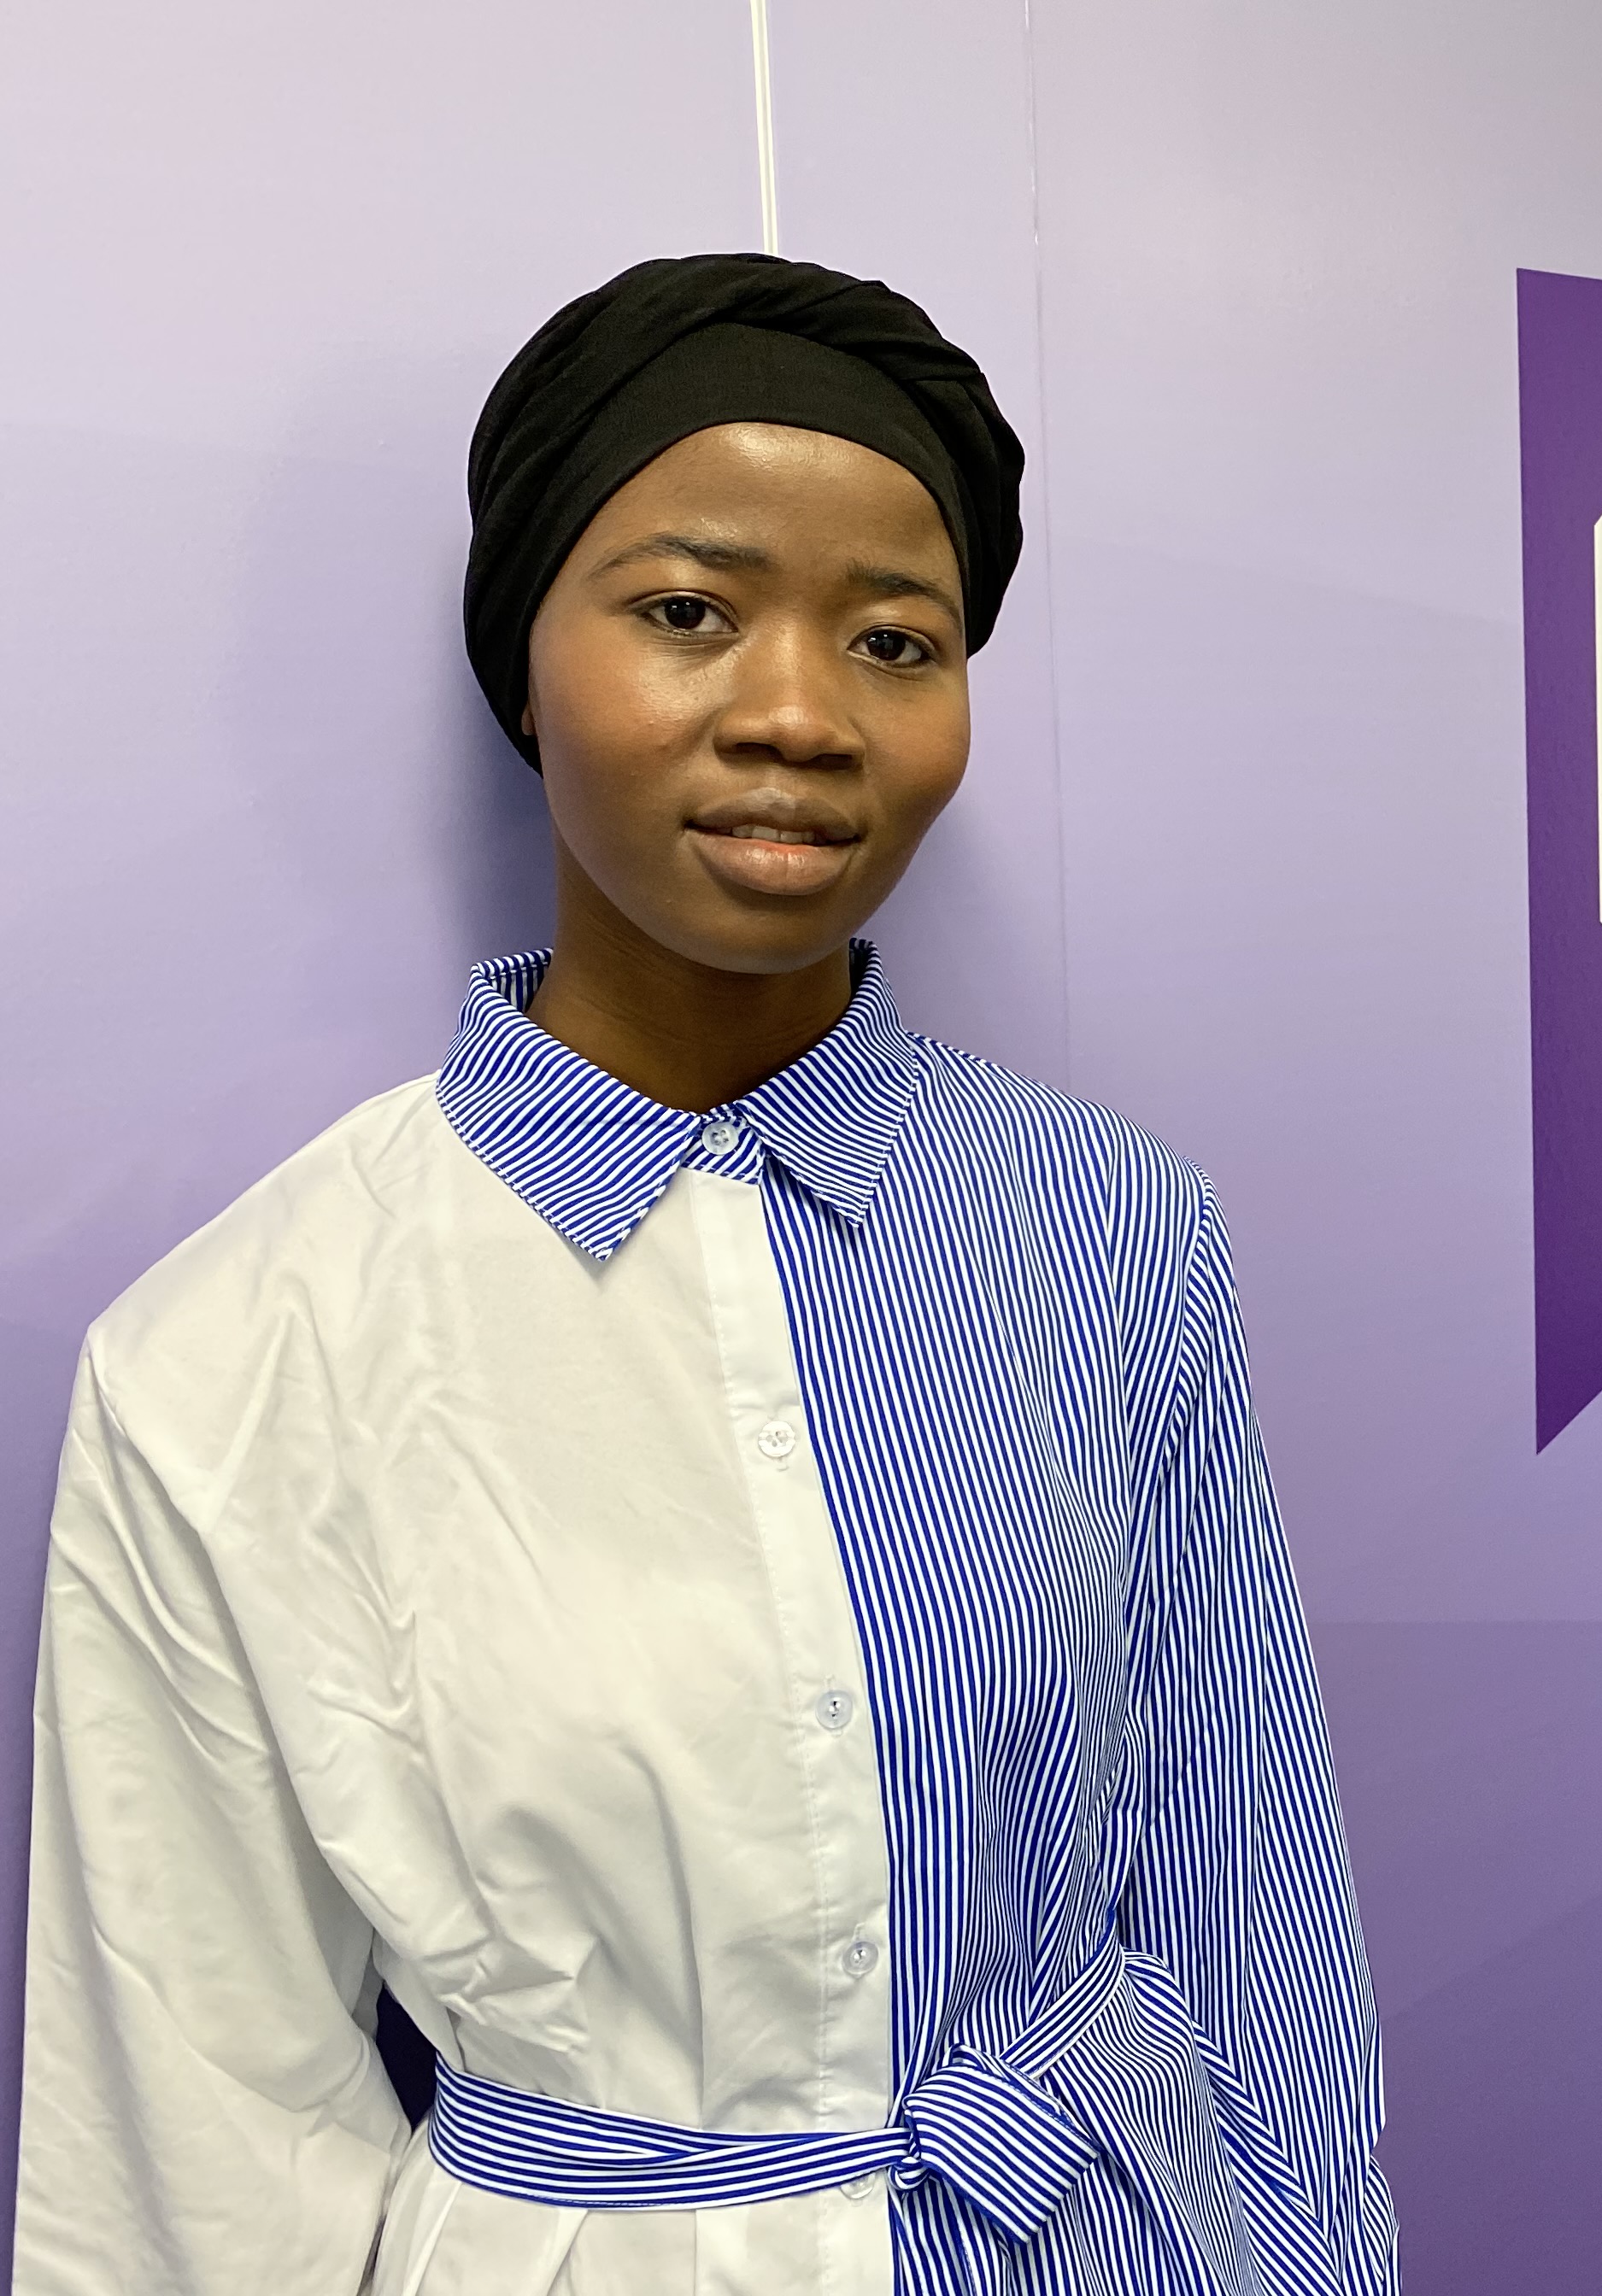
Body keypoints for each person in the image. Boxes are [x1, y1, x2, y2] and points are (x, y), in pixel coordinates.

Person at [16, 255, 1395, 2296]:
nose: (796, 714)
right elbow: (194, 2145)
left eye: (896, 639)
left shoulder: (1112, 1233)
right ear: (526, 664)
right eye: (687, 610)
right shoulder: (243, 1347)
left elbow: (1247, 1917)